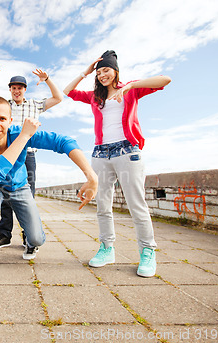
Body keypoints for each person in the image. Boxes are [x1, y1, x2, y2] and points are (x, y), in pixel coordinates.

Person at [0, 96, 98, 330]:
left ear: (10, 120)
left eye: (2, 118)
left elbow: (63, 141)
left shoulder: (16, 132)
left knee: (36, 238)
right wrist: (24, 136)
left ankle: (31, 241)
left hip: (20, 186)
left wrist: (91, 176)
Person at [63, 50, 171, 277]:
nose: (102, 75)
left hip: (128, 151)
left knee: (136, 204)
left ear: (115, 71)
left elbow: (165, 80)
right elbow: (68, 92)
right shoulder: (95, 96)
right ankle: (107, 248)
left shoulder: (130, 88)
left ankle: (147, 251)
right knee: (103, 204)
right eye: (99, 71)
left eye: (106, 70)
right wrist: (85, 71)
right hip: (101, 154)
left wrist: (130, 87)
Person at [0, 68, 64, 252]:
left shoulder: (35, 104)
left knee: (27, 195)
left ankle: (29, 237)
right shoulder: (4, 105)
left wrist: (47, 79)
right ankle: (5, 235)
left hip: (28, 154)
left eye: (20, 88)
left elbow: (58, 98)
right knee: (5, 195)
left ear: (25, 90)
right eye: (14, 88)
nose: (17, 91)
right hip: (6, 154)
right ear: (10, 90)